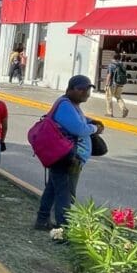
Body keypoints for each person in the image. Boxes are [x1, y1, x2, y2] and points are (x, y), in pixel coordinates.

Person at [34, 75, 105, 230]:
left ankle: (42, 220)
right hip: (67, 158)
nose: (85, 93)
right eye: (81, 89)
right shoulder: (65, 105)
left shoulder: (70, 104)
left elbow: (79, 120)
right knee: (66, 194)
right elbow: (78, 129)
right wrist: (95, 128)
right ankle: (63, 229)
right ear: (70, 89)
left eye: (87, 89)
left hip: (64, 156)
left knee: (53, 190)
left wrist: (90, 121)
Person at [105, 53, 129, 118]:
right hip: (120, 83)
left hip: (112, 84)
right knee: (118, 97)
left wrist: (106, 84)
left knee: (108, 97)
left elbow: (109, 75)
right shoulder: (122, 65)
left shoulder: (111, 65)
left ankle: (109, 113)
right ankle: (124, 109)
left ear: (113, 58)